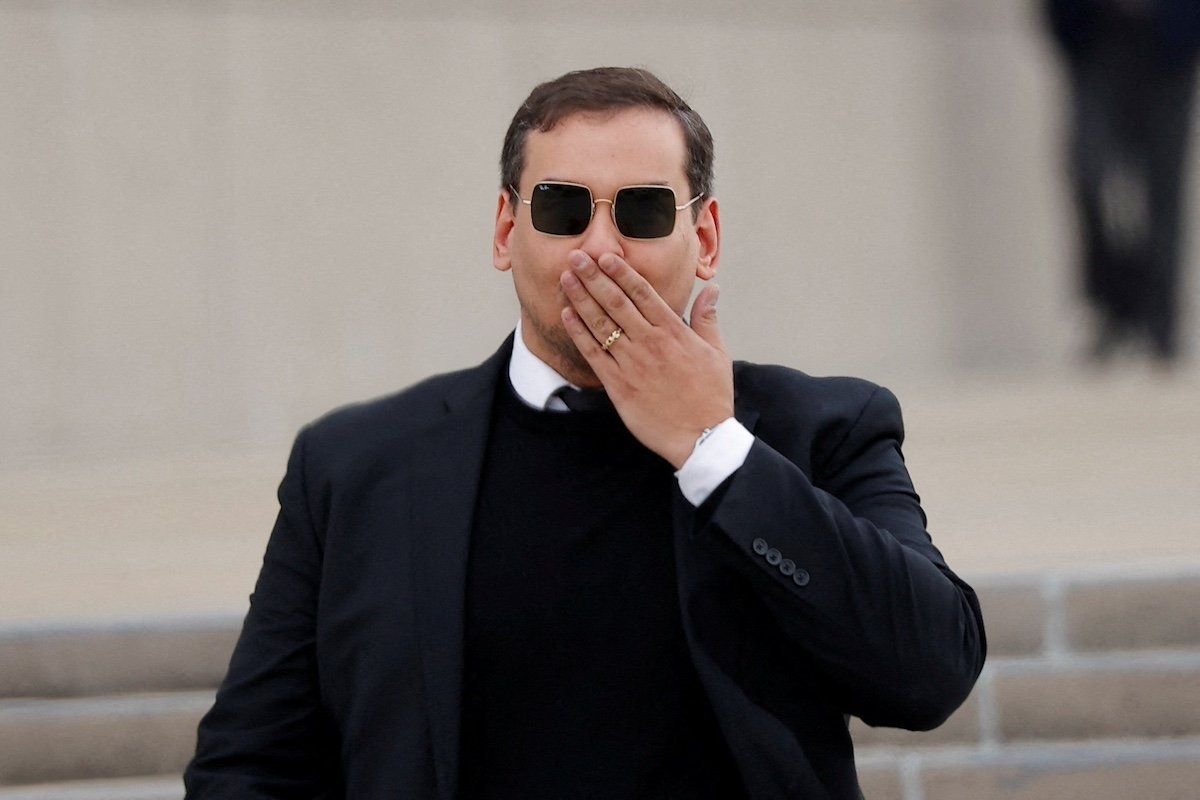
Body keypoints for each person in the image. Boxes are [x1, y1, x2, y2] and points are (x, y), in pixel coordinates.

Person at [184, 67, 986, 800]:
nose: (600, 247)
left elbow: (929, 672)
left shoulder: (820, 431)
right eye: (564, 209)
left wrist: (715, 449)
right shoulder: (355, 468)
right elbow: (250, 763)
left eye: (641, 210)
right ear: (506, 231)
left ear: (704, 238)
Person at [1043, 0, 1200, 364]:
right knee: (1088, 172)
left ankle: (1162, 323)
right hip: (1097, 36)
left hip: (1168, 41)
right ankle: (1114, 306)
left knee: (1164, 189)